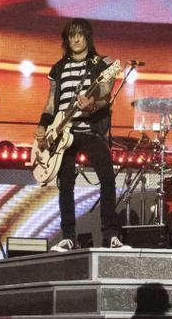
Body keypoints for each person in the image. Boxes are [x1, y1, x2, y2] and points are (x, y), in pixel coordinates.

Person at [35, 18, 129, 251]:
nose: (76, 39)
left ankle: (110, 236)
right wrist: (42, 126)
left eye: (80, 34)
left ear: (88, 37)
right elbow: (50, 103)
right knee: (65, 183)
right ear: (67, 39)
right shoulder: (58, 68)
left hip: (89, 131)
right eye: (71, 35)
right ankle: (68, 237)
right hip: (61, 134)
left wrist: (91, 106)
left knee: (107, 177)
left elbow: (106, 96)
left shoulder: (100, 64)